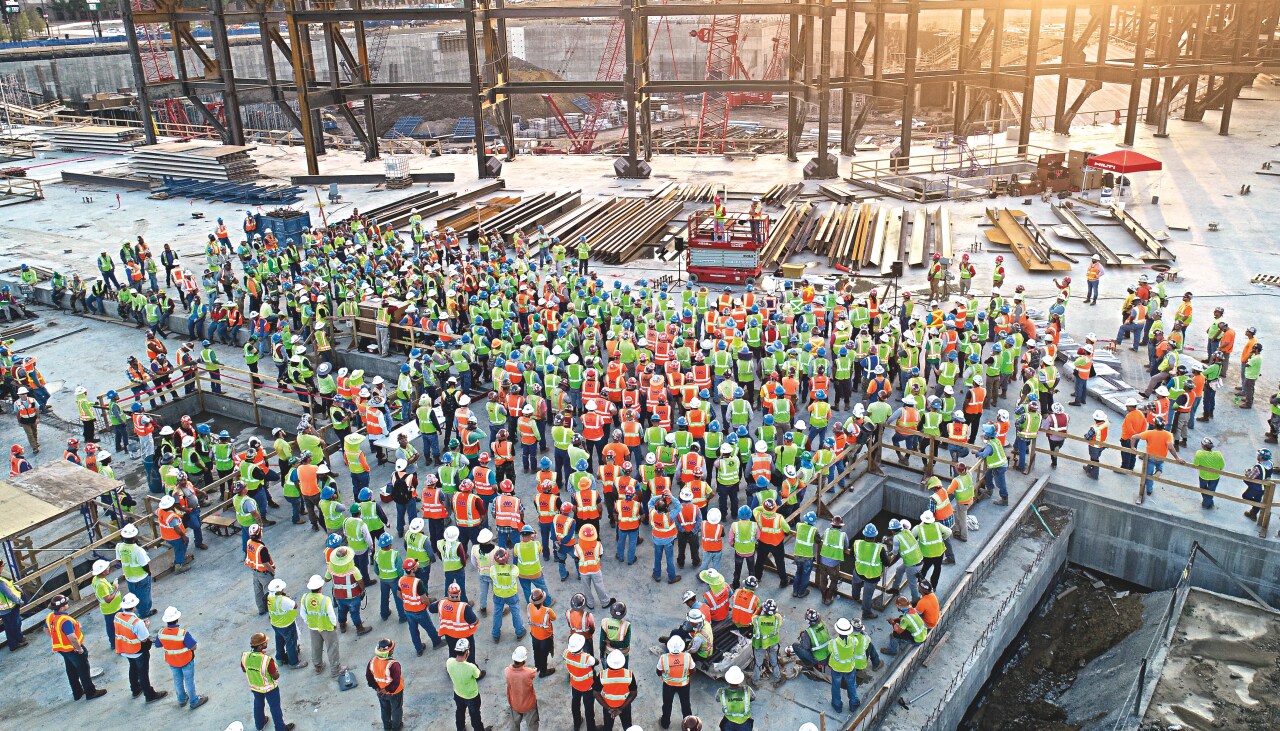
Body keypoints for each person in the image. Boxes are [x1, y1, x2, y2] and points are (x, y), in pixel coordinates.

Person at [46, 594, 107, 700]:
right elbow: (72, 637)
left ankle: (77, 692)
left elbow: (46, 629)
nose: (67, 604)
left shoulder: (51, 616)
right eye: (66, 604)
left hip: (62, 649)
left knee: (71, 670)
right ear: (61, 608)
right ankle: (90, 692)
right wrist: (79, 649)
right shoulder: (65, 620)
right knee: (83, 670)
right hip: (72, 649)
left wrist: (55, 637)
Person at [113, 592, 168, 703]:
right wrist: (145, 626)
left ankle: (135, 689)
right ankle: (149, 694)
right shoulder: (137, 623)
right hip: (137, 650)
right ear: (134, 606)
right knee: (143, 673)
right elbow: (144, 639)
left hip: (125, 649)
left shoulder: (118, 616)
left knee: (133, 668)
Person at [157, 606, 207, 709]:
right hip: (186, 661)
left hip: (172, 662)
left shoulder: (161, 633)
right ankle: (194, 701)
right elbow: (193, 646)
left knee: (177, 680)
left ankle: (182, 699)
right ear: (177, 619)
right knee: (189, 681)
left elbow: (158, 644)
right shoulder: (182, 633)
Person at [242, 632, 295, 731]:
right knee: (275, 708)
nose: (267, 642)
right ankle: (280, 728)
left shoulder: (245, 656)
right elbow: (275, 676)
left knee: (258, 704)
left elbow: (245, 669)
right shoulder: (267, 660)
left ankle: (260, 724)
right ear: (260, 646)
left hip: (255, 687)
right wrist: (277, 673)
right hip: (270, 689)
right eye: (265, 642)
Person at [300, 574, 342, 676]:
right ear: (321, 587)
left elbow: (302, 613)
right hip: (327, 627)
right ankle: (335, 670)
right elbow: (331, 615)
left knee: (316, 647)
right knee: (332, 648)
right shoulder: (325, 599)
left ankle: (318, 666)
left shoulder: (305, 598)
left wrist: (309, 622)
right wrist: (334, 624)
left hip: (313, 627)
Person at [266, 579, 308, 670]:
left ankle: (280, 658)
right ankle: (293, 662)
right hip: (286, 624)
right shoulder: (283, 600)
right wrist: (288, 597)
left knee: (279, 640)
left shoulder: (269, 596)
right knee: (291, 642)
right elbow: (295, 606)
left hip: (275, 623)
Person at [115, 522, 154, 618]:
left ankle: (135, 609)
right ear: (134, 536)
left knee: (134, 594)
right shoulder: (138, 550)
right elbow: (145, 565)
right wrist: (149, 573)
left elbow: (119, 560)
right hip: (141, 576)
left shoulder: (119, 547)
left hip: (129, 576)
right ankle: (144, 613)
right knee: (145, 596)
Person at [448, 638, 487, 731]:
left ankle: (460, 728)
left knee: (460, 711)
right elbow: (478, 675)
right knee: (475, 716)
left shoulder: (449, 662)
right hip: (471, 696)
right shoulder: (471, 667)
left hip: (457, 693)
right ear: (467, 652)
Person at [367, 638, 405, 731]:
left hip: (381, 693)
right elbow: (396, 681)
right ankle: (396, 727)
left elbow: (369, 677)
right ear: (389, 652)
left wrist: (377, 688)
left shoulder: (372, 661)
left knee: (385, 710)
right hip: (395, 692)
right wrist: (387, 689)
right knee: (396, 710)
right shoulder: (394, 664)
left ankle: (387, 728)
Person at [657, 635, 694, 730]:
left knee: (667, 704)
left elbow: (658, 672)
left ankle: (665, 723)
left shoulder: (663, 658)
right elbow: (693, 670)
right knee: (686, 704)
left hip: (668, 685)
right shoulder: (687, 657)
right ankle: (689, 725)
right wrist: (686, 674)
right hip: (684, 684)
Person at [596, 649, 637, 731]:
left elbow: (596, 693)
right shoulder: (629, 675)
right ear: (623, 663)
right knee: (628, 727)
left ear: (608, 662)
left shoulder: (602, 675)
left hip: (608, 705)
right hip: (625, 705)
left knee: (607, 727)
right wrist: (621, 709)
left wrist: (608, 709)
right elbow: (634, 693)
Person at [564, 632, 598, 731]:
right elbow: (596, 661)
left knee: (575, 704)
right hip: (588, 687)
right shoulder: (587, 658)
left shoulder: (566, 653)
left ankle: (577, 723)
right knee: (589, 709)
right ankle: (591, 728)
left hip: (574, 684)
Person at [506, 645, 541, 730]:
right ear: (523, 660)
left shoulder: (507, 671)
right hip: (528, 705)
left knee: (514, 725)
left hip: (514, 704)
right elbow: (534, 672)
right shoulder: (529, 673)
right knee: (532, 725)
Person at [716, 665, 755, 730]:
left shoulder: (721, 692)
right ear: (740, 680)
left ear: (728, 680)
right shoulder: (747, 690)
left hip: (728, 722)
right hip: (745, 722)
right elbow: (753, 698)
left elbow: (717, 699)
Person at [1192, 437, 1225, 509]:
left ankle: (1206, 503)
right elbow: (1222, 466)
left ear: (1203, 446)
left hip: (1204, 476)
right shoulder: (1218, 454)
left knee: (1203, 489)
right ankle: (1209, 502)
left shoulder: (1199, 453)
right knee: (1211, 490)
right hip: (1215, 476)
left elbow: (1196, 464)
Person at [1, 562, 27, 652]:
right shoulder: (0, 582)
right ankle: (16, 642)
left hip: (3, 610)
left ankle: (16, 641)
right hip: (9, 608)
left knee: (9, 626)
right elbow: (9, 595)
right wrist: (19, 601)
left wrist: (15, 586)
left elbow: (8, 587)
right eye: (1, 566)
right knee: (15, 624)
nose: (2, 568)